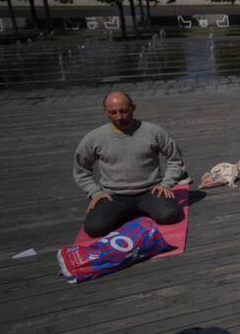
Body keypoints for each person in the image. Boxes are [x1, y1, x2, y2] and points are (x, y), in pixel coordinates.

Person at [74, 91, 186, 237]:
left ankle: (131, 212)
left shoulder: (153, 131)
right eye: (113, 112)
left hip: (150, 191)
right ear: (105, 112)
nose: (119, 116)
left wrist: (166, 184)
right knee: (94, 228)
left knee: (169, 215)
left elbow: (175, 159)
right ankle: (124, 211)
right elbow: (81, 170)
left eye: (124, 111)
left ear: (133, 107)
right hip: (112, 195)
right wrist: (94, 192)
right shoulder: (94, 138)